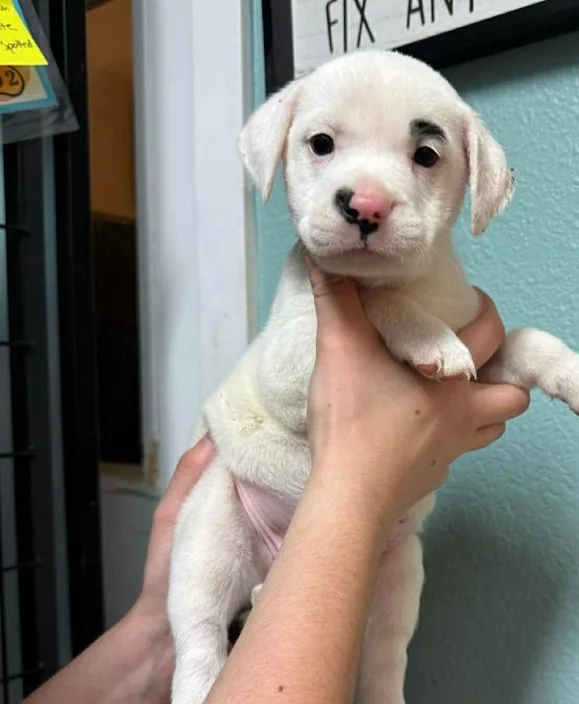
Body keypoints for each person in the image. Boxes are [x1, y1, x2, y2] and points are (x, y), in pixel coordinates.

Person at [25, 260, 530, 704]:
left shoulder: (431, 283)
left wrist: (156, 630)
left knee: (396, 608)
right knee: (201, 632)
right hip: (257, 495)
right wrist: (357, 488)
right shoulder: (306, 301)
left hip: (328, 535)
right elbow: (287, 387)